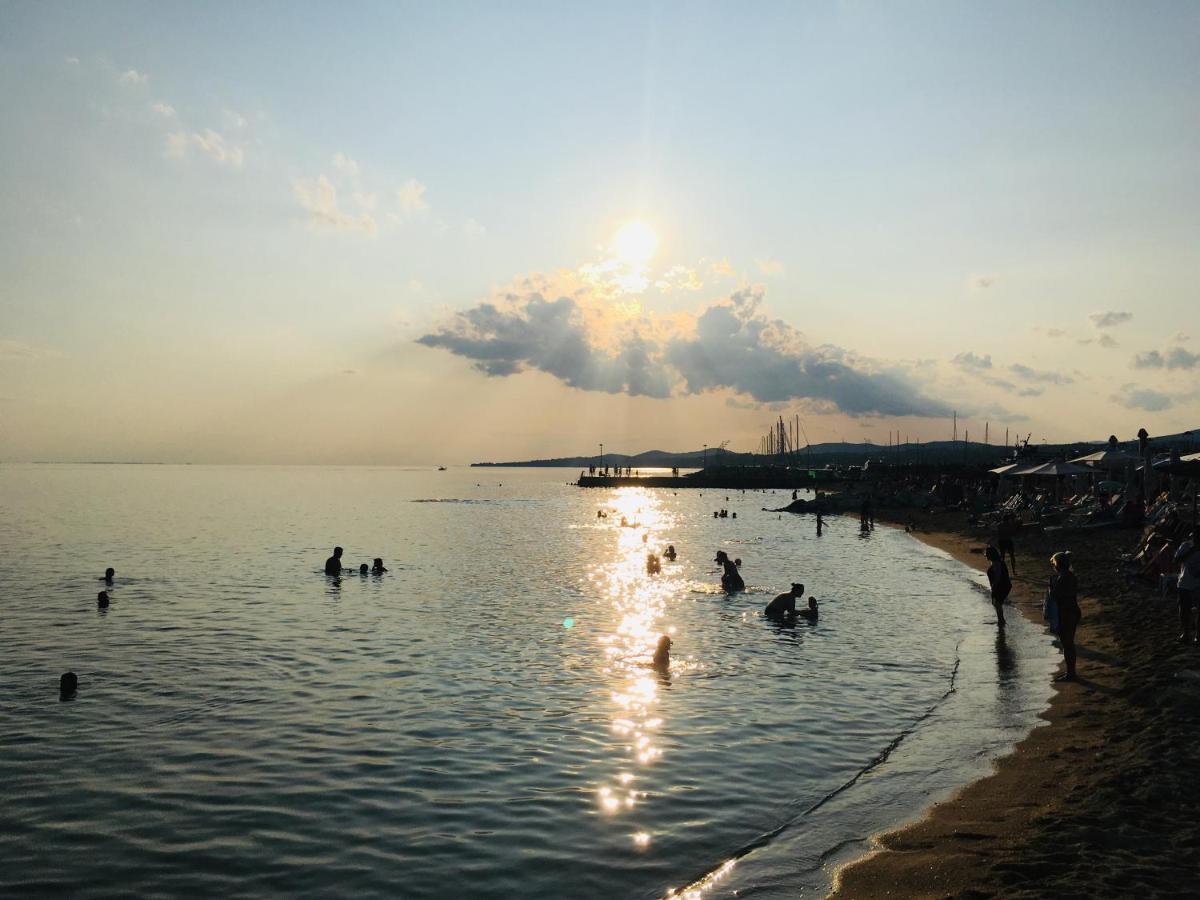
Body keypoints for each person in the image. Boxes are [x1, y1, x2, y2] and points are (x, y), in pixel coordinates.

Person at [1049, 551, 1081, 681]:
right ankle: (1070, 672)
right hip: (1073, 610)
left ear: (1058, 565)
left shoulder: (1063, 578)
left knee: (1067, 644)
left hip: (1067, 612)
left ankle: (1071, 673)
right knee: (1069, 644)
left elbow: (1054, 596)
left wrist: (1051, 586)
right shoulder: (1070, 576)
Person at [1175, 528, 1199, 643]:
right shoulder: (1186, 546)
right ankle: (1186, 633)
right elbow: (1176, 560)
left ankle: (1197, 635)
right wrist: (1192, 550)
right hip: (1185, 582)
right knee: (1184, 610)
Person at [985, 545, 1012, 627]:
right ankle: (1001, 620)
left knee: (997, 603)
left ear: (991, 554)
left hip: (1002, 585)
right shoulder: (995, 562)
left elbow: (998, 576)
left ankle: (1001, 620)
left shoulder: (997, 563)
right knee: (996, 603)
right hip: (1001, 585)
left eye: (987, 554)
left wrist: (994, 586)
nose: (986, 555)